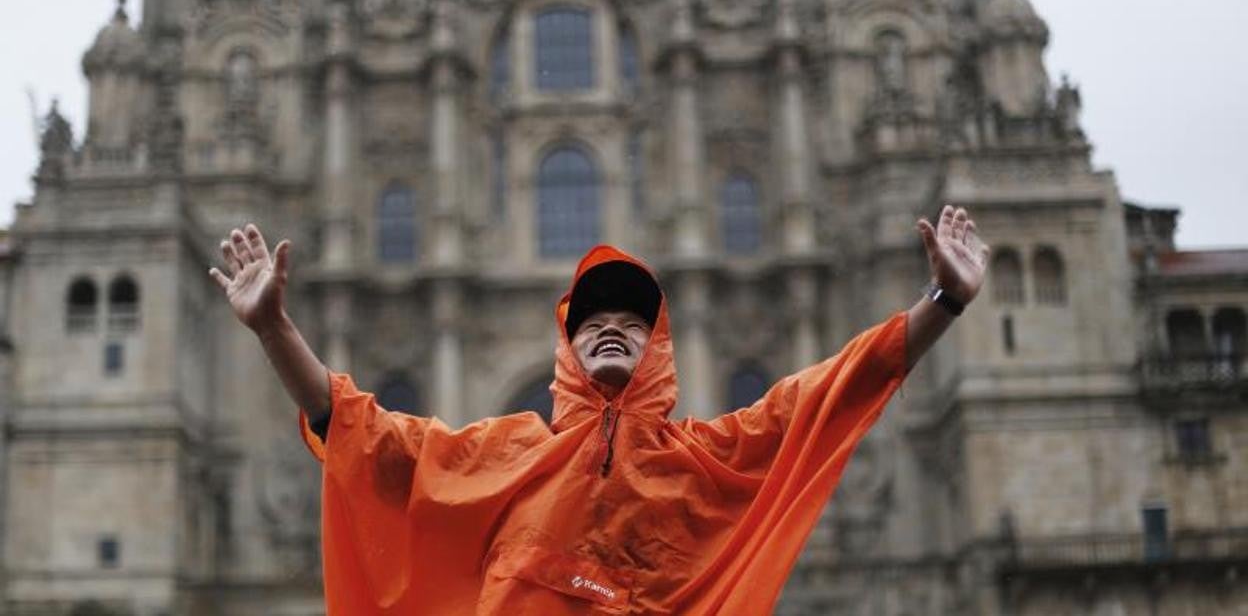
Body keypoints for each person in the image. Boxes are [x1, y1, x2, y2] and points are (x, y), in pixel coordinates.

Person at [209, 205, 989, 614]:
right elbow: (359, 432)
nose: (610, 326)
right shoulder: (504, 454)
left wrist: (945, 299)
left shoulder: (709, 456)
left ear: (659, 349)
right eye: (590, 320)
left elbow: (834, 389)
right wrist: (274, 327)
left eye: (631, 321)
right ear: (566, 348)